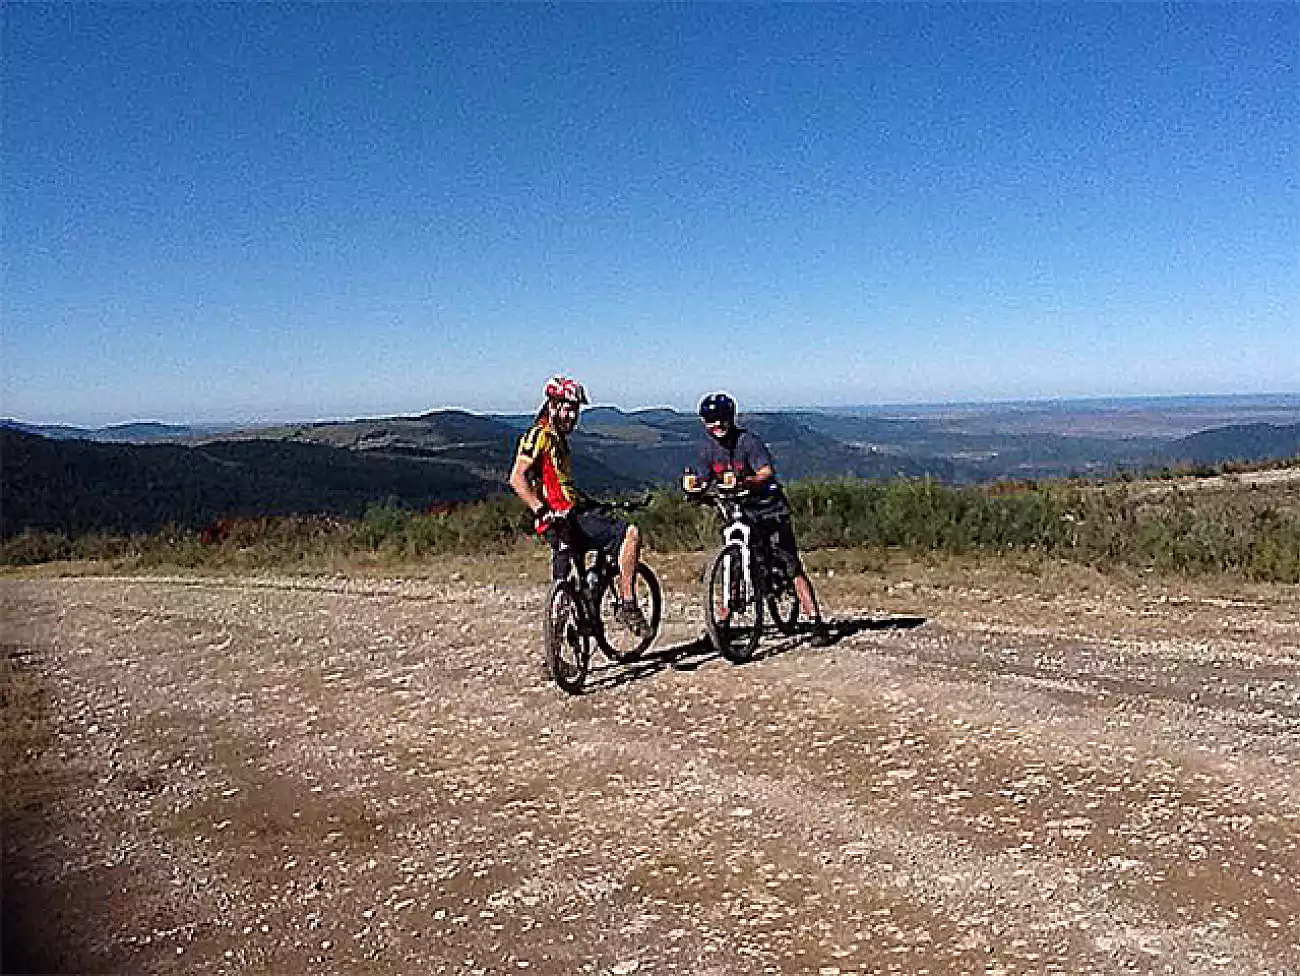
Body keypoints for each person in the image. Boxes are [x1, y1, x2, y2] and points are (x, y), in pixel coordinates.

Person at [683, 392, 833, 647]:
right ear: (703, 422)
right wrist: (694, 488)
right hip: (736, 508)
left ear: (731, 418)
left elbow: (766, 472)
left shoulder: (748, 442)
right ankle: (721, 624)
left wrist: (747, 481)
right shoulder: (706, 449)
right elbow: (704, 478)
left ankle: (815, 621)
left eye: (721, 419)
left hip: (767, 508)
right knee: (735, 563)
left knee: (789, 563)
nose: (716, 425)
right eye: (710, 420)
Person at [509, 375, 649, 635]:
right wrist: (540, 509)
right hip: (564, 516)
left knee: (564, 583)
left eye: (575, 410)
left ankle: (558, 652)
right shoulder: (540, 435)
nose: (572, 415)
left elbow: (558, 484)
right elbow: (517, 478)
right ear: (552, 405)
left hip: (558, 520)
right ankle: (628, 605)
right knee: (630, 533)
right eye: (568, 408)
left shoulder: (556, 438)